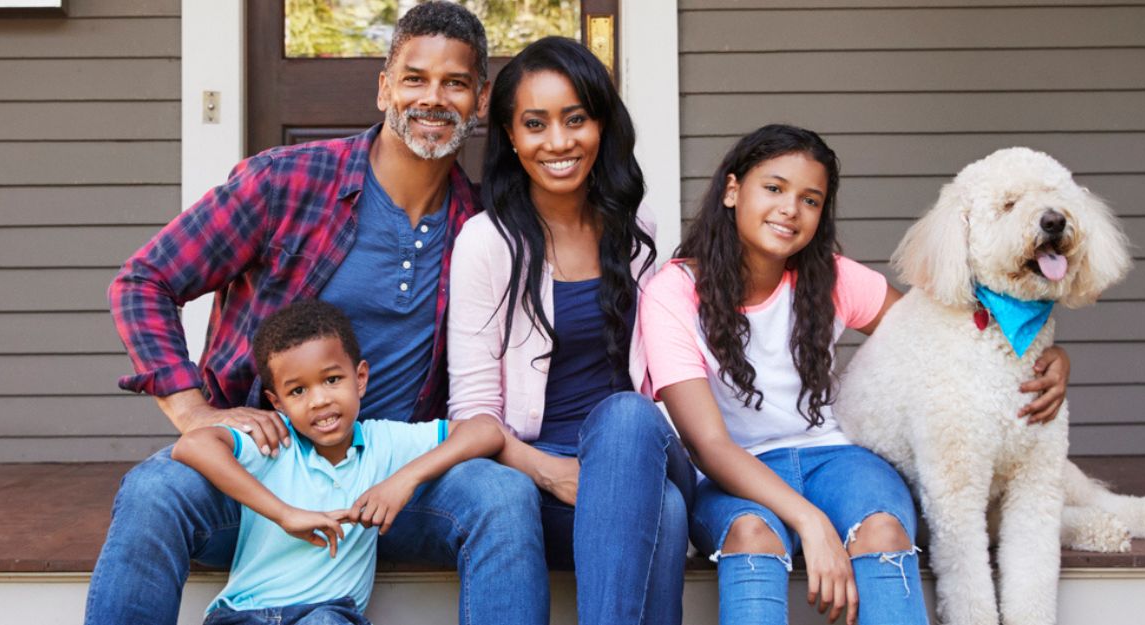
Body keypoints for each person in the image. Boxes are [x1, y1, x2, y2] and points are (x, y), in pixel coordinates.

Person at [91, 4, 549, 624]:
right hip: (264, 473)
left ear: (479, 98)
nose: (433, 98)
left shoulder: (483, 230)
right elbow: (144, 280)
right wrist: (194, 411)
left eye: (456, 82)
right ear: (384, 85)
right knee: (154, 490)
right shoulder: (286, 183)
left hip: (393, 479)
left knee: (501, 496)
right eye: (414, 78)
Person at [637, 124, 1072, 625]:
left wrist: (1055, 355)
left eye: (810, 199)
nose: (789, 209)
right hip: (731, 472)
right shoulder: (673, 292)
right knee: (752, 535)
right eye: (774, 189)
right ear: (733, 191)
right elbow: (709, 445)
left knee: (884, 530)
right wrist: (812, 522)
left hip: (837, 459)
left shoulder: (832, 277)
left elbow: (937, 336)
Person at [445, 36, 692, 625]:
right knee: (671, 511)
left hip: (634, 450)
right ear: (510, 135)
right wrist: (548, 471)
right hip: (533, 466)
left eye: (575, 119)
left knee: (628, 415)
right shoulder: (487, 242)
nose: (558, 142)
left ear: (602, 124)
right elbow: (474, 411)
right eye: (535, 123)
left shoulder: (638, 231)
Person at [175, 300, 504, 625]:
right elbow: (193, 444)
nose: (319, 400)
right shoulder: (274, 443)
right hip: (242, 614)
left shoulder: (383, 443)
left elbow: (485, 430)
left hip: (327, 613)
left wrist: (404, 480)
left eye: (332, 380)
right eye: (298, 391)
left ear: (360, 378)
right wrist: (284, 513)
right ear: (278, 403)